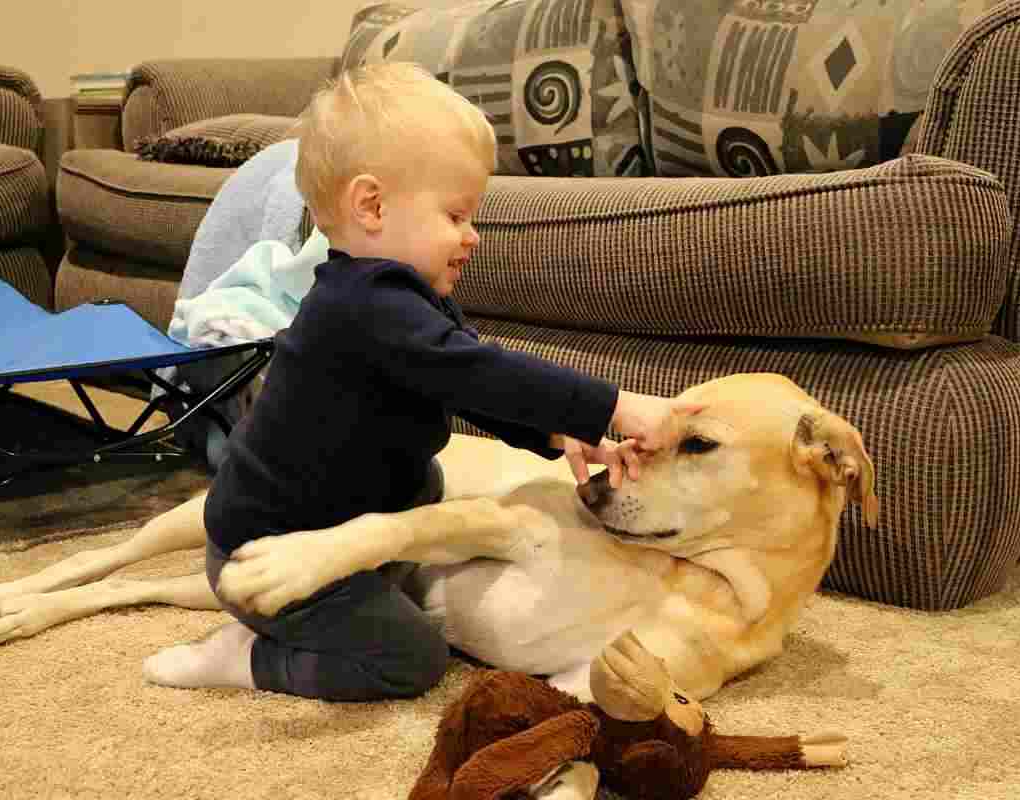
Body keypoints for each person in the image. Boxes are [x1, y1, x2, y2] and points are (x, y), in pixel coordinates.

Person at [142, 62, 680, 701]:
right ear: (371, 205)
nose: (472, 236)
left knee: (428, 488)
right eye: (456, 215)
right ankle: (251, 659)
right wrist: (610, 407)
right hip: (273, 556)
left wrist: (557, 429)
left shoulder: (395, 299)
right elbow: (478, 371)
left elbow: (463, 380)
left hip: (351, 521)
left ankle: (326, 614)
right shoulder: (362, 306)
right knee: (411, 659)